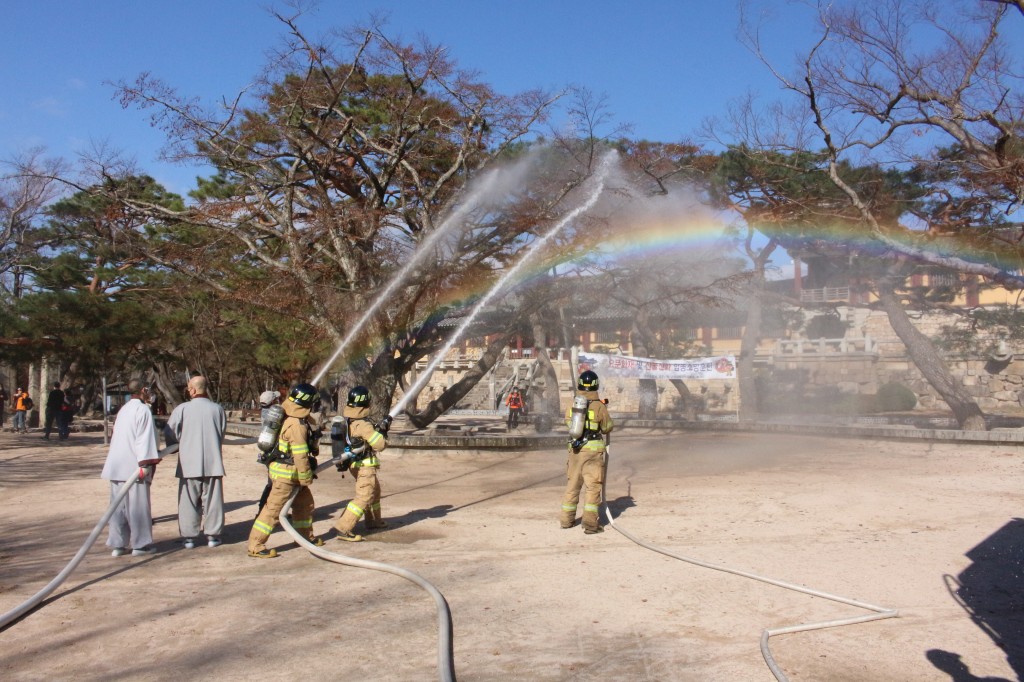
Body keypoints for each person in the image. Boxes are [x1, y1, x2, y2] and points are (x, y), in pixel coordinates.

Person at [246, 383, 324, 558]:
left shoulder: (291, 417)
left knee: (305, 505)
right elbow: (300, 455)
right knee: (273, 511)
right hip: (287, 475)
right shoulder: (296, 425)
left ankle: (304, 537)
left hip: (291, 473)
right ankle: (255, 545)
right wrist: (306, 477)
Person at [101, 379, 163, 556]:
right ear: (143, 390)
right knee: (138, 507)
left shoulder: (124, 409)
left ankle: (118, 544)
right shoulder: (142, 410)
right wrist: (146, 464)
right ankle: (140, 544)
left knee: (118, 508)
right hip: (133, 466)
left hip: (117, 465)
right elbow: (144, 439)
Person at [165, 376, 227, 549]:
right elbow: (221, 433)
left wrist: (176, 446)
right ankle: (213, 535)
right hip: (212, 461)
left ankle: (189, 537)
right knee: (213, 501)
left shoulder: (182, 409)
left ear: (192, 389)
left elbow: (170, 432)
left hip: (188, 463)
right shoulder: (217, 409)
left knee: (188, 501)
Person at [331, 385, 390, 542]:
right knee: (364, 496)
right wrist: (383, 432)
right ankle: (344, 528)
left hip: (356, 464)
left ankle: (374, 521)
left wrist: (379, 430)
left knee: (375, 492)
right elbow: (380, 445)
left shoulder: (351, 420)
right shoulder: (363, 424)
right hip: (365, 466)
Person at [560, 370, 614, 535]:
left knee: (573, 485)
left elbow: (568, 424)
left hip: (575, 450)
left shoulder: (572, 405)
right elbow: (607, 428)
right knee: (592, 487)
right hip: (593, 451)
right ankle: (590, 524)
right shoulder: (599, 406)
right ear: (596, 385)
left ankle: (566, 520)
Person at [255, 389, 281, 515]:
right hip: (275, 453)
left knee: (272, 482)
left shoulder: (264, 413)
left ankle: (264, 509)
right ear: (273, 401)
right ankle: (263, 511)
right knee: (273, 484)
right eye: (276, 398)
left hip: (267, 452)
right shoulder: (275, 414)